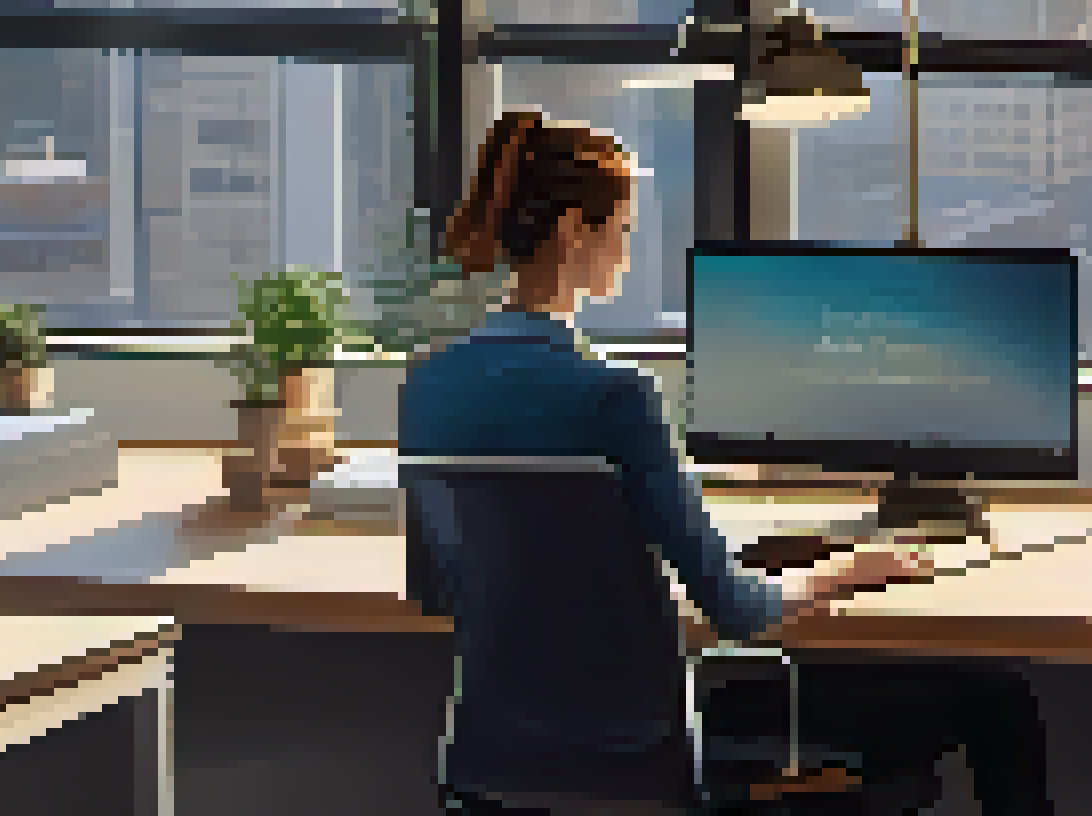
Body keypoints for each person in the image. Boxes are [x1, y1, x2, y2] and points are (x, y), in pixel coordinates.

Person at [400, 110, 1055, 815]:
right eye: (620, 229)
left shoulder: (427, 385)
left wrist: (616, 576)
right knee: (996, 698)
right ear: (570, 230)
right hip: (654, 751)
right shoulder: (615, 395)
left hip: (494, 761)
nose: (626, 250)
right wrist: (850, 568)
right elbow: (738, 612)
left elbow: (436, 589)